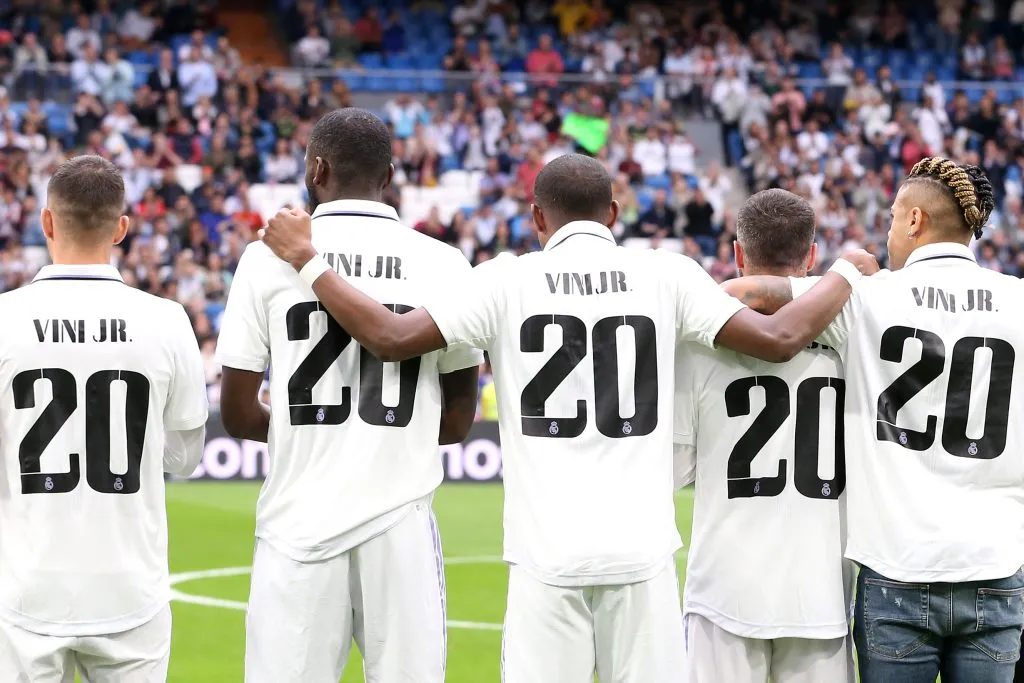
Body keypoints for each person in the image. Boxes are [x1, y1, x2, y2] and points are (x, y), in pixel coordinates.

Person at [258, 153, 876, 683]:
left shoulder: (503, 280)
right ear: (614, 212)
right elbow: (779, 337)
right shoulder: (666, 274)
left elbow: (390, 337)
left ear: (536, 219)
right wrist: (849, 267)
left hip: (545, 563)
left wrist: (308, 261)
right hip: (642, 562)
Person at [214, 108, 482, 683]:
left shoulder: (266, 256)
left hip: (298, 521)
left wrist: (310, 428)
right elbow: (459, 418)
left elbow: (236, 412)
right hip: (401, 521)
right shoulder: (443, 261)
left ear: (316, 170)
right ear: (389, 176)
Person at [734, 158, 1024, 682]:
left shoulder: (868, 299)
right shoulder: (1019, 302)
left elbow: (753, 294)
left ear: (915, 221)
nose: (889, 231)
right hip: (995, 566)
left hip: (897, 566)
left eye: (892, 217)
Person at [0, 155, 207, 680]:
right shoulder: (167, 319)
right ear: (121, 229)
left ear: (46, 222)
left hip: (26, 585)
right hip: (129, 588)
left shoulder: (4, 320)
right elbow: (185, 458)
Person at [674, 189, 855, 683]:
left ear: (737, 254)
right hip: (820, 594)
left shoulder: (700, 342)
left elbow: (672, 469)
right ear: (812, 255)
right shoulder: (854, 338)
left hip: (724, 593)